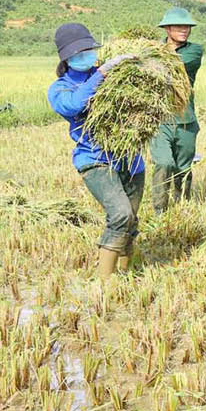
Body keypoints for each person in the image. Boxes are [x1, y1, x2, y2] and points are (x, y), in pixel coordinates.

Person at [46, 23, 141, 281]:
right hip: (95, 160)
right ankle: (104, 283)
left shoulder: (113, 73)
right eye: (78, 52)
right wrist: (102, 74)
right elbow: (74, 106)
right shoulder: (60, 88)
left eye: (88, 49)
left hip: (131, 159)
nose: (85, 54)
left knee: (131, 220)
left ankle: (125, 276)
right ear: (66, 58)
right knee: (120, 214)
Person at [149, 7, 203, 212]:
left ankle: (183, 207)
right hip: (159, 120)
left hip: (185, 120)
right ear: (167, 29)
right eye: (179, 26)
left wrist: (149, 57)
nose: (184, 29)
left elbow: (172, 64)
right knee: (163, 163)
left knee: (183, 169)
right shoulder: (152, 51)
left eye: (187, 26)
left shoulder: (194, 51)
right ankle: (160, 211)